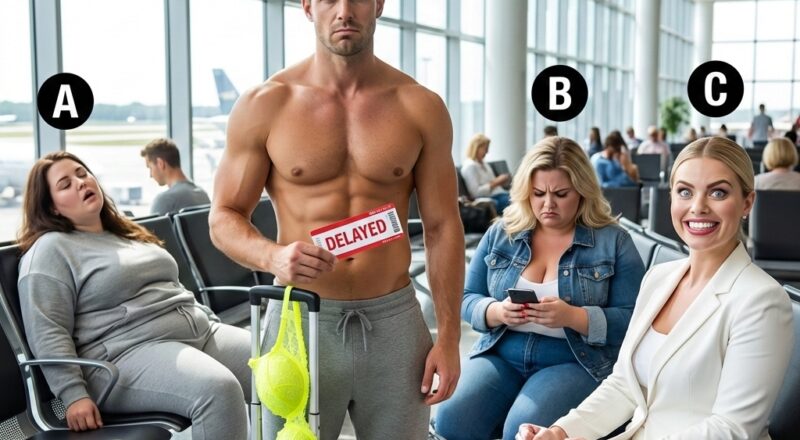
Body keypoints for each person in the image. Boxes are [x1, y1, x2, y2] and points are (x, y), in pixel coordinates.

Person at [207, 1, 464, 439]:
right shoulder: (266, 104)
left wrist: (450, 337)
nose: (344, 10)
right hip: (300, 322)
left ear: (379, 4)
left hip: (393, 320)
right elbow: (224, 217)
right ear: (308, 6)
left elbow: (443, 227)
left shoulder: (419, 106)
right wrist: (273, 256)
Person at [517, 136, 793, 440]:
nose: (697, 207)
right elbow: (624, 385)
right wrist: (561, 432)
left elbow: (733, 428)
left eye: (718, 192)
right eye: (685, 191)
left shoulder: (761, 300)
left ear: (747, 202)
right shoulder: (659, 278)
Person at [17, 152, 250, 439]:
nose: (80, 182)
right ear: (51, 208)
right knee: (218, 390)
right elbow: (47, 330)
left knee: (280, 369)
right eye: (65, 184)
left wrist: (210, 319)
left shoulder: (125, 232)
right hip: (126, 354)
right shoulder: (50, 250)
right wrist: (73, 394)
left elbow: (174, 286)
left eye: (81, 173)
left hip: (198, 331)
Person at [432, 137, 645, 440]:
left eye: (561, 194)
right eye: (538, 194)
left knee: (522, 430)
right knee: (452, 421)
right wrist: (497, 311)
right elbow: (465, 299)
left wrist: (573, 317)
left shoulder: (613, 242)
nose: (548, 205)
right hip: (501, 351)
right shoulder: (502, 232)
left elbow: (634, 321)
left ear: (582, 192)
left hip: (574, 359)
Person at [140, 137, 210, 215]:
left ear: (160, 163)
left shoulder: (165, 200)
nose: (151, 175)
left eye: (150, 167)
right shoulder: (202, 194)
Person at [461, 133, 511, 213]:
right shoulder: (470, 166)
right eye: (485, 148)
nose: (487, 152)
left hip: (499, 193)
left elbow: (492, 182)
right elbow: (475, 193)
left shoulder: (484, 164)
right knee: (517, 202)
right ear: (476, 148)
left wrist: (500, 181)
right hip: (490, 198)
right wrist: (496, 182)